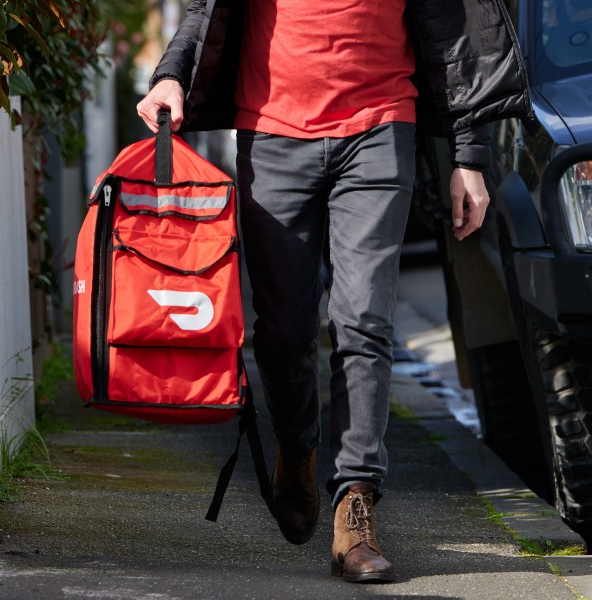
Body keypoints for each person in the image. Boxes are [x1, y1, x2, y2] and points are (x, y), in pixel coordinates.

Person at [137, 0, 531, 584]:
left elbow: (455, 29)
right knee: (283, 329)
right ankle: (296, 447)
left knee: (363, 320)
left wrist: (468, 157)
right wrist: (171, 75)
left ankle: (356, 504)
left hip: (379, 127)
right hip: (272, 133)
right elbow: (204, 9)